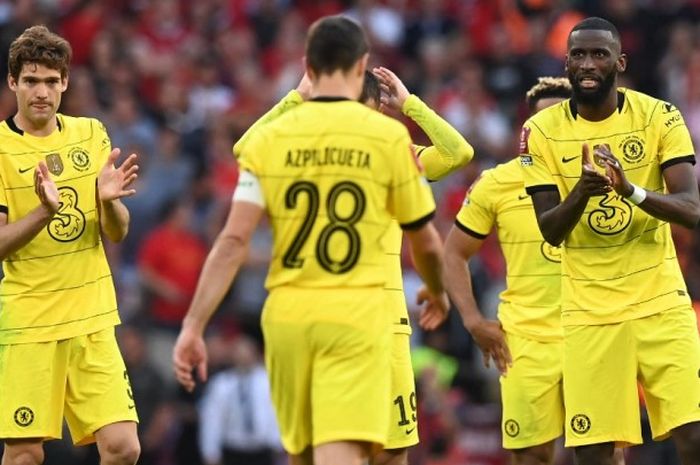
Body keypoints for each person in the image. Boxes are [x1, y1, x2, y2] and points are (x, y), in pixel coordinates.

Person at [172, 15, 447, 465]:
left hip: (287, 320)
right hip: (354, 316)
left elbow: (232, 241)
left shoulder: (271, 140)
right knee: (344, 453)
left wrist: (194, 324)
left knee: (302, 456)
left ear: (307, 65)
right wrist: (436, 292)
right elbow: (428, 241)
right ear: (362, 67)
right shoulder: (388, 138)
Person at [234, 66, 473, 465]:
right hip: (331, 314)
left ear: (378, 108)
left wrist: (411, 104)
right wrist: (296, 98)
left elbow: (458, 153)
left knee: (394, 448)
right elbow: (245, 151)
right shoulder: (307, 151)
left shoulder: (397, 154)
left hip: (387, 317)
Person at [519, 17, 700, 465]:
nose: (587, 64)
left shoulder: (659, 116)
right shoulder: (540, 132)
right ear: (565, 63)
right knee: (595, 452)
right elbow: (550, 230)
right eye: (578, 54)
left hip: (659, 300)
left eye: (599, 54)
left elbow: (692, 209)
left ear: (619, 61)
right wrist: (582, 189)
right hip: (589, 311)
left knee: (694, 435)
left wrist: (630, 191)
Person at [0, 26, 140, 465]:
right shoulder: (0, 149)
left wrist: (109, 204)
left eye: (50, 81)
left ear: (65, 82)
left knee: (123, 448)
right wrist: (43, 212)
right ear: (13, 83)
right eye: (30, 81)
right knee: (25, 455)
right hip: (29, 320)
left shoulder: (91, 133)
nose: (41, 92)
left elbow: (116, 232)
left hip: (91, 317)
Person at [444, 77, 572, 465]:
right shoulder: (498, 182)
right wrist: (472, 320)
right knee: (531, 455)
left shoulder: (603, 175)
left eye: (560, 120)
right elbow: (453, 254)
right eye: (540, 122)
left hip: (594, 330)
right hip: (527, 339)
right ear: (527, 129)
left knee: (603, 451)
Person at [198, 335, 281, 465]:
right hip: (233, 449)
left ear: (254, 354)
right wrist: (210, 452)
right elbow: (212, 418)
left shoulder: (267, 382)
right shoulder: (221, 384)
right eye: (239, 353)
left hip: (262, 449)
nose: (243, 357)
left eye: (247, 352)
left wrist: (278, 443)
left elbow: (276, 413)